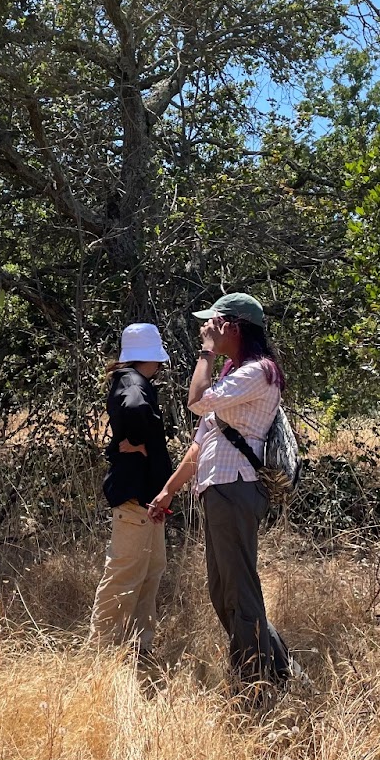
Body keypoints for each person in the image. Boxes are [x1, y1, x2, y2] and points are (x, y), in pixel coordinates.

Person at [148, 292, 292, 695]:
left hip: (235, 488)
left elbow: (196, 401)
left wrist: (206, 354)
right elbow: (200, 444)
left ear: (232, 327)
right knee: (222, 589)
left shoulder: (257, 373)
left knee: (239, 590)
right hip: (219, 490)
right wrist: (168, 491)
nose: (205, 329)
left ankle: (255, 685)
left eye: (212, 324)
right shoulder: (236, 375)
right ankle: (277, 670)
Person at [88, 323, 174, 658]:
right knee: (124, 576)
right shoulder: (134, 383)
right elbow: (136, 410)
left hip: (146, 499)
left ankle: (139, 648)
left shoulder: (130, 380)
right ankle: (100, 654)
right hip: (136, 497)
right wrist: (140, 444)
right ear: (149, 357)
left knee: (149, 573)